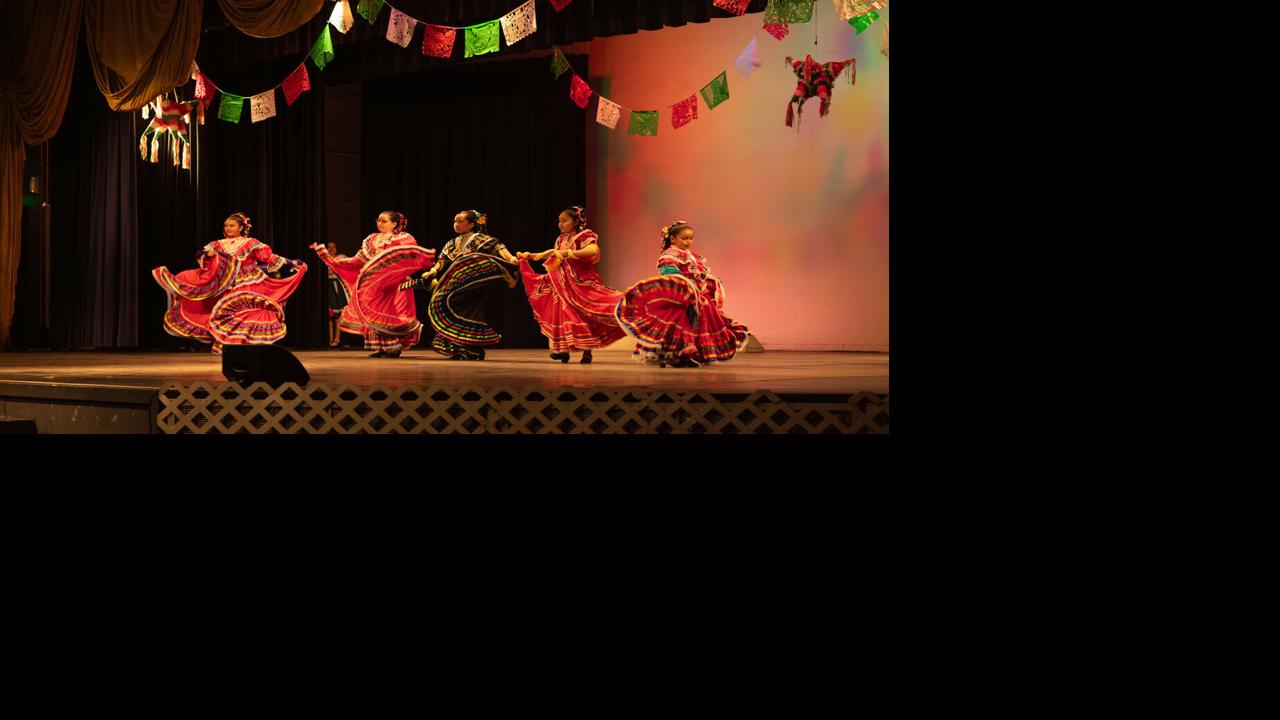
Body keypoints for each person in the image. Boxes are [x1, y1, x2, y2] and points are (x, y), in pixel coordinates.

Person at [152, 212, 306, 355]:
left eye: (232, 225)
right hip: (226, 282)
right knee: (225, 313)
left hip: (249, 281)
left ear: (241, 227)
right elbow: (199, 254)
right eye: (226, 225)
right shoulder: (218, 244)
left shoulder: (251, 243)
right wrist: (207, 254)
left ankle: (247, 344)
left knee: (249, 311)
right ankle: (224, 343)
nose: (228, 228)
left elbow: (269, 258)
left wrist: (291, 262)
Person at [614, 219, 750, 367]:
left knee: (697, 324)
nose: (689, 242)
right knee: (681, 325)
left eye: (691, 238)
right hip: (681, 297)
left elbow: (697, 274)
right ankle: (677, 354)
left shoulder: (690, 255)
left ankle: (688, 354)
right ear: (672, 238)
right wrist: (687, 286)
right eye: (685, 238)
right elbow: (670, 275)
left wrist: (707, 281)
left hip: (696, 296)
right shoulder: (670, 255)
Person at [311, 211, 434, 358]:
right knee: (374, 315)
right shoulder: (372, 239)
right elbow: (359, 259)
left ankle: (393, 348)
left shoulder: (404, 238)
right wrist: (337, 261)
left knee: (391, 314)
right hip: (375, 285)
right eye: (378, 220)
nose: (380, 223)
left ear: (394, 224)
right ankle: (382, 347)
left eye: (384, 221)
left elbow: (408, 258)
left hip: (394, 284)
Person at [517, 205, 625, 364]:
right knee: (563, 313)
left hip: (581, 282)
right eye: (559, 221)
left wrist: (569, 253)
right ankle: (563, 350)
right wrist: (531, 256)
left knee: (583, 313)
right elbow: (552, 253)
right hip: (562, 283)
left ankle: (586, 352)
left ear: (576, 221)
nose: (560, 224)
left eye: (564, 220)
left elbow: (593, 250)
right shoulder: (561, 239)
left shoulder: (585, 236)